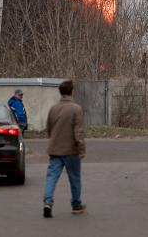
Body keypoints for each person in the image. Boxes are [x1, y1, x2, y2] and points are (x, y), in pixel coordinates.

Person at [43, 80, 86, 218]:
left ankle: (47, 202)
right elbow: (78, 132)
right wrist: (81, 148)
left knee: (51, 176)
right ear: (72, 91)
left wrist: (54, 140)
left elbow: (49, 128)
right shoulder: (76, 109)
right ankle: (76, 204)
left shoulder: (53, 108)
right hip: (71, 150)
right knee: (74, 178)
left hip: (55, 149)